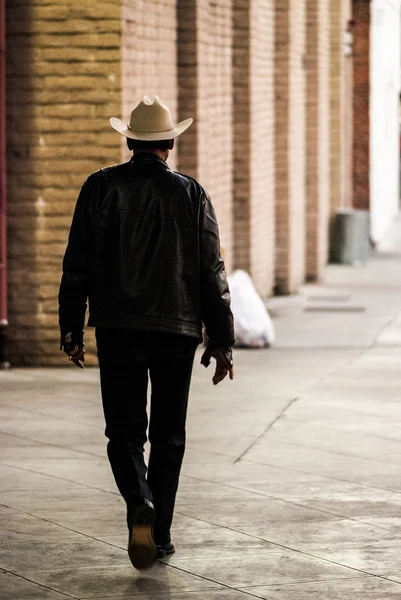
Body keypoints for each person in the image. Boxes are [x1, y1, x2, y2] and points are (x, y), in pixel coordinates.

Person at [58, 95, 235, 570]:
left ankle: (138, 499)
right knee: (169, 436)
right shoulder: (191, 194)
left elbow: (76, 264)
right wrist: (221, 339)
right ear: (171, 143)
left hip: (117, 327)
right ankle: (159, 535)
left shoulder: (98, 188)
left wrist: (71, 326)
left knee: (124, 431)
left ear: (131, 141)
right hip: (176, 331)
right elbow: (211, 270)